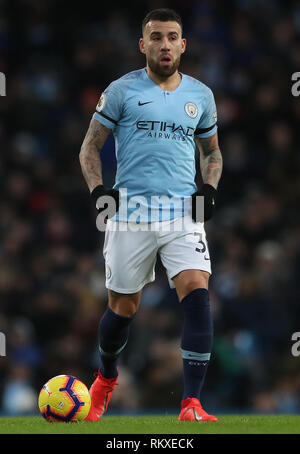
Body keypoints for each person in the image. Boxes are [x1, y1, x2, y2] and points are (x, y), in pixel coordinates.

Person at [79, 8, 222, 422]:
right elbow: (90, 148)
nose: (164, 44)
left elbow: (212, 153)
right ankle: (106, 378)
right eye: (156, 37)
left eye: (172, 36)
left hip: (182, 212)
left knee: (197, 293)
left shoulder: (201, 96)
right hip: (130, 213)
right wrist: (98, 192)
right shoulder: (121, 91)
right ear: (143, 45)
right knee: (122, 309)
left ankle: (191, 403)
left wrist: (209, 189)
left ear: (183, 44)